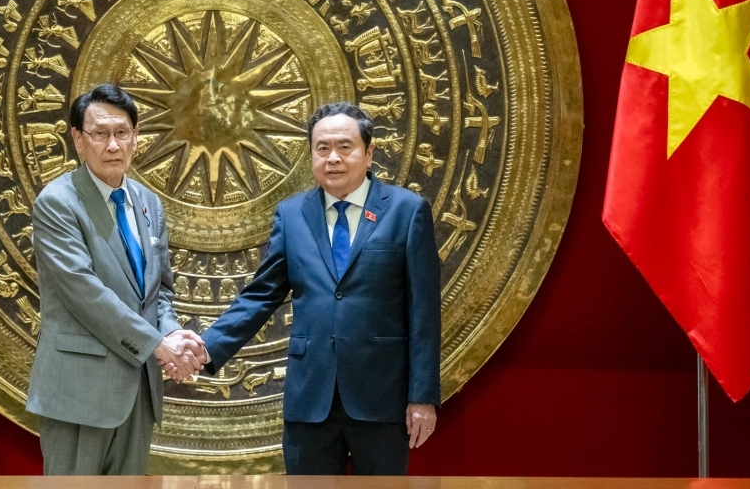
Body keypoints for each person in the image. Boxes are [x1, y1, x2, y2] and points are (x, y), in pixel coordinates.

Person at [201, 101, 441, 475]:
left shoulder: (406, 211)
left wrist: (423, 397)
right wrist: (206, 348)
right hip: (310, 399)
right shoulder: (292, 214)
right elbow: (262, 295)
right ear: (311, 153)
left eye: (345, 147)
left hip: (381, 398)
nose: (333, 158)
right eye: (322, 148)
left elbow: (424, 311)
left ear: (369, 152)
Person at [26, 83, 206, 475]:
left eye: (122, 133)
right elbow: (84, 293)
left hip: (138, 390)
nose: (112, 146)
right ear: (78, 139)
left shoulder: (147, 202)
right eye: (100, 134)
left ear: (136, 137)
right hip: (79, 393)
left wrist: (173, 334)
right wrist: (158, 346)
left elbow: (160, 294)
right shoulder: (58, 202)